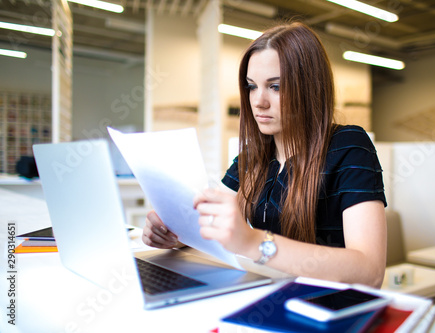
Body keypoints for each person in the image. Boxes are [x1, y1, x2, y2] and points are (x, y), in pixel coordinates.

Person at [143, 21, 387, 288]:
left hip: (327, 310)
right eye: (251, 86)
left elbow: (370, 271)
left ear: (310, 89)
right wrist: (175, 233)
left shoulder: (349, 145)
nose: (258, 101)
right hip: (268, 296)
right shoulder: (253, 156)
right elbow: (213, 221)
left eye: (276, 87)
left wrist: (253, 242)